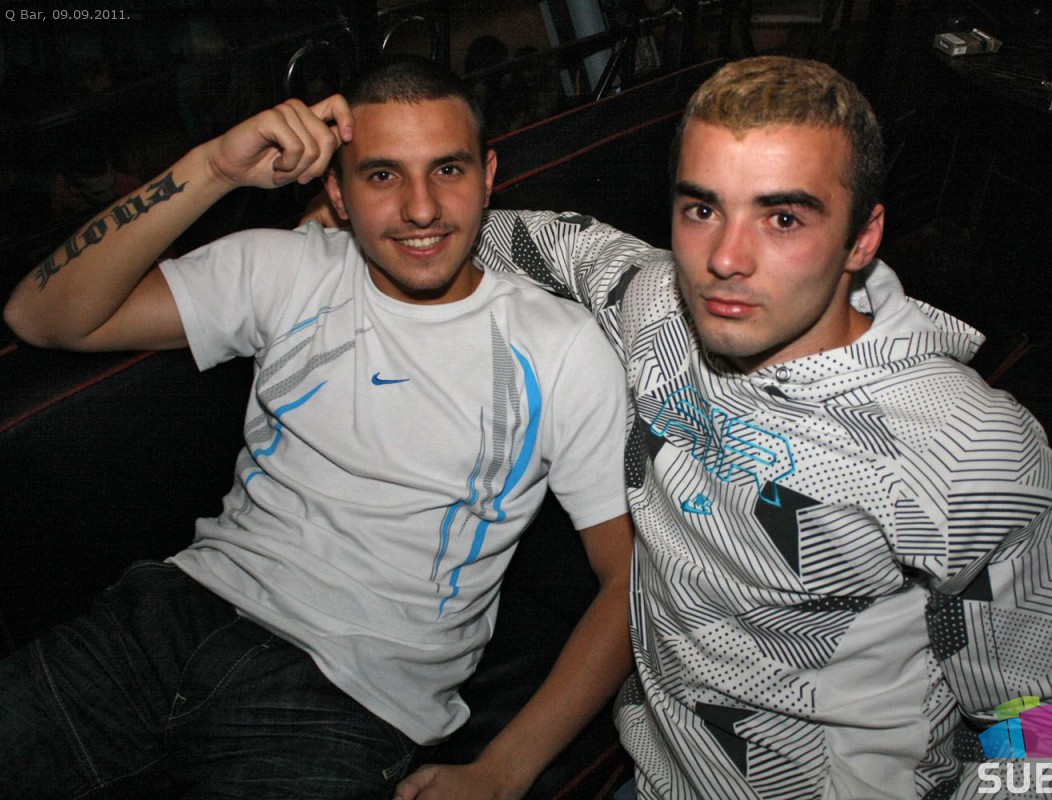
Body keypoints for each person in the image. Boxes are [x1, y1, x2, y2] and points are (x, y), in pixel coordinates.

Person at [1, 58, 634, 800]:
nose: (422, 208)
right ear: (337, 189)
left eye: (448, 170)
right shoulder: (288, 269)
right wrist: (213, 168)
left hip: (347, 701)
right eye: (383, 175)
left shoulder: (558, 347)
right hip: (171, 616)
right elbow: (40, 315)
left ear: (488, 175)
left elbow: (629, 580)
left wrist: (503, 770)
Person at [470, 57, 1052, 798]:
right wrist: (368, 215)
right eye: (702, 210)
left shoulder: (966, 449)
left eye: (783, 218)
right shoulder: (658, 311)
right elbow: (549, 243)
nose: (724, 260)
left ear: (863, 238)